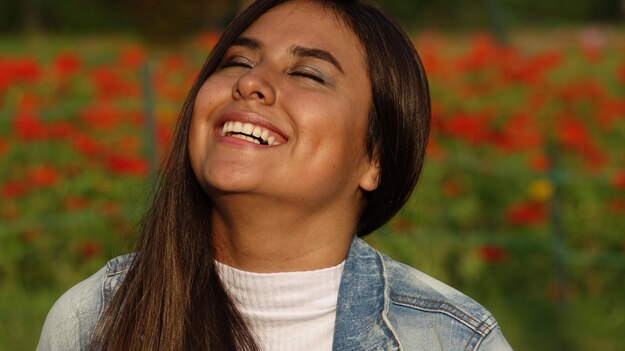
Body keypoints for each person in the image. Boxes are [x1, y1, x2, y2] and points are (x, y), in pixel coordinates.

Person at [38, 0, 513, 350]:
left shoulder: (450, 338)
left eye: (307, 73)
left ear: (374, 159)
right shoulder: (94, 319)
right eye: (238, 61)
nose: (250, 82)